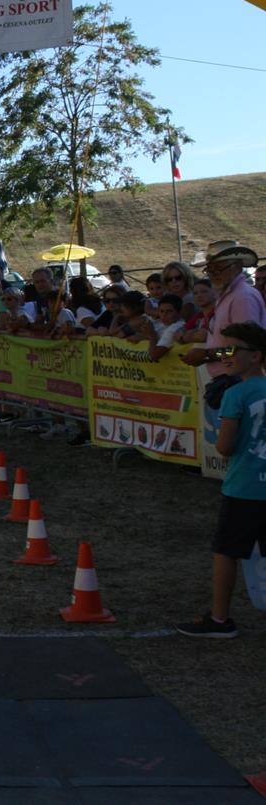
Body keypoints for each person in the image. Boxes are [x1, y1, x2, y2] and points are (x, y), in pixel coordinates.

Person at [175, 323, 266, 638]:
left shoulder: (235, 394)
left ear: (255, 356)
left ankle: (220, 619)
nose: (224, 356)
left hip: (244, 487)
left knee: (226, 552)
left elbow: (225, 446)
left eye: (231, 349)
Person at [180, 242, 266, 377]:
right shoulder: (227, 295)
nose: (213, 274)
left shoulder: (242, 297)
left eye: (219, 268)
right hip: (231, 376)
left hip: (236, 378)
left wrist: (206, 354)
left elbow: (244, 349)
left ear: (237, 267)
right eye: (209, 269)